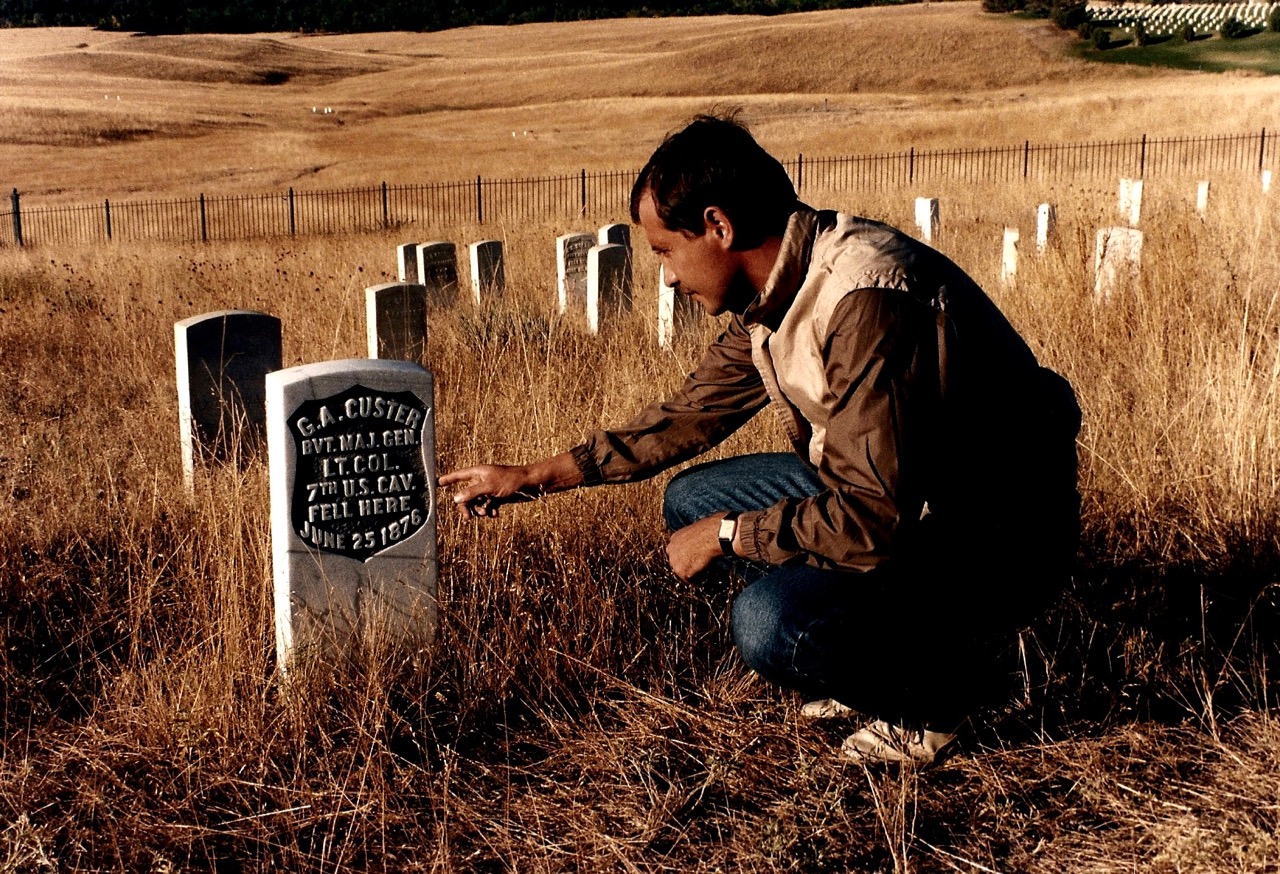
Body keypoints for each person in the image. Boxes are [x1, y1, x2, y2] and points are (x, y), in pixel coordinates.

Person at [439, 113, 1080, 766]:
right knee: (693, 495)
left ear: (719, 226)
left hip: (994, 537)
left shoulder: (864, 300)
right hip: (903, 501)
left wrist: (729, 535)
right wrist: (533, 476)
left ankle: (940, 695)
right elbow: (687, 416)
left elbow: (870, 519)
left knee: (768, 623)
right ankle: (869, 657)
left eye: (665, 250)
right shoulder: (778, 292)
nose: (664, 277)